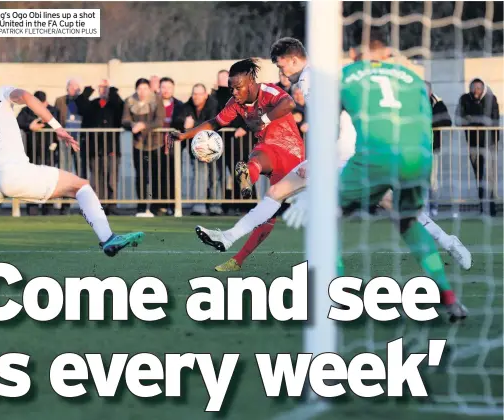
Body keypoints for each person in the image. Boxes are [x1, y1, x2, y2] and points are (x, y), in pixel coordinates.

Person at [195, 37, 471, 273]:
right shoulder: (315, 76)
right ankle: (229, 237)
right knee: (277, 192)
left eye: (280, 65)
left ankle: (448, 242)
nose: (280, 71)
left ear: (291, 60)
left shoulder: (308, 80)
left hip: (348, 156)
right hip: (344, 153)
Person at [287, 28, 468, 322]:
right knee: (408, 221)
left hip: (376, 156)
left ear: (357, 54)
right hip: (418, 157)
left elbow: (328, 127)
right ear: (387, 53)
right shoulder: (410, 77)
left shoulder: (346, 74)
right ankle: (449, 298)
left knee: (325, 216)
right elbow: (426, 117)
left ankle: (337, 300)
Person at [0, 59, 143, 267]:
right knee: (80, 186)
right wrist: (56, 126)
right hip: (16, 174)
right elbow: (24, 96)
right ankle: (107, 238)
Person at [166, 58, 304, 270]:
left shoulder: (268, 91)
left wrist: (264, 119)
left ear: (250, 83)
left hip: (290, 153)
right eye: (231, 88)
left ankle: (248, 175)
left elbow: (289, 103)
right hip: (267, 148)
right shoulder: (236, 104)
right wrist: (184, 136)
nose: (234, 92)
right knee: (258, 164)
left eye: (238, 87)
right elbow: (214, 123)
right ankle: (237, 257)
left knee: (267, 202)